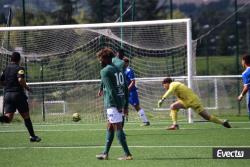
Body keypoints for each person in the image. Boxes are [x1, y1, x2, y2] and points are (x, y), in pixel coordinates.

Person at [95, 48, 132, 160]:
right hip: (121, 101)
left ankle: (128, 154)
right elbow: (125, 88)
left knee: (117, 127)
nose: (99, 61)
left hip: (113, 103)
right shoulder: (118, 69)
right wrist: (125, 106)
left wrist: (119, 106)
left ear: (106, 58)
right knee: (110, 126)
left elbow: (111, 90)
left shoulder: (105, 71)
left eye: (100, 59)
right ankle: (105, 153)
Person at [157, 77, 231, 130]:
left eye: (164, 85)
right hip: (191, 101)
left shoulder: (173, 84)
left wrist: (162, 99)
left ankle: (223, 122)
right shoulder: (175, 86)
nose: (164, 87)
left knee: (206, 117)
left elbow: (170, 91)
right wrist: (173, 113)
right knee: (173, 107)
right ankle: (175, 125)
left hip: (192, 101)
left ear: (167, 83)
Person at [0, 52, 41, 142]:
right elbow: (20, 79)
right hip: (17, 95)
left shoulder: (5, 69)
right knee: (26, 116)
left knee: (8, 118)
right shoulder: (19, 68)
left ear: (11, 59)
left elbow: (1, 81)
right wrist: (27, 88)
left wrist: (7, 85)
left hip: (7, 95)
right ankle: (32, 136)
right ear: (19, 59)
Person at [98, 48, 129, 127]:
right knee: (114, 121)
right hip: (120, 92)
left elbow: (105, 78)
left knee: (114, 121)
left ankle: (120, 134)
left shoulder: (115, 64)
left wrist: (101, 87)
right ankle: (119, 131)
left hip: (113, 94)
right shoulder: (120, 64)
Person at [123, 57, 150, 126]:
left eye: (124, 62)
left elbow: (133, 81)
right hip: (124, 92)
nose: (122, 64)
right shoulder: (121, 70)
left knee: (136, 106)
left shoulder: (129, 70)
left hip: (131, 92)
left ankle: (145, 121)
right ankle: (121, 122)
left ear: (127, 63)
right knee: (122, 106)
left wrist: (128, 89)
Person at [238, 54, 250, 120]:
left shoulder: (246, 73)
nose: (241, 62)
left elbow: (247, 87)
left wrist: (241, 95)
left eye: (242, 61)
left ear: (244, 61)